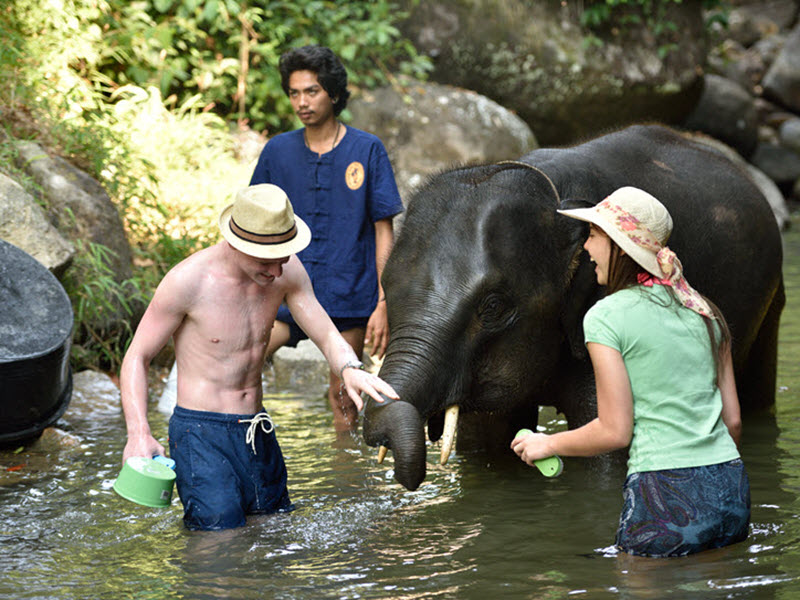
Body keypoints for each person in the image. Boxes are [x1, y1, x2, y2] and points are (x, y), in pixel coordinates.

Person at [120, 184, 399, 531]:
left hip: (256, 428)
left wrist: (350, 368)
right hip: (200, 433)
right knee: (218, 541)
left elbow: (326, 333)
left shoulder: (286, 270)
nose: (277, 271)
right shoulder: (188, 281)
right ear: (237, 243)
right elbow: (137, 355)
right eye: (267, 261)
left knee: (273, 532)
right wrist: (138, 433)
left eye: (283, 257)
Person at [511, 186, 750, 557]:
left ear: (621, 246)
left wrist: (547, 443)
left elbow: (614, 430)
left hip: (666, 489)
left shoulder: (606, 317)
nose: (586, 248)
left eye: (593, 236)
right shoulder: (704, 310)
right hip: (730, 485)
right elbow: (732, 423)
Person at [249, 45, 404, 432]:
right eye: (294, 92)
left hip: (348, 298)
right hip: (282, 292)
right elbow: (252, 227)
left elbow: (383, 230)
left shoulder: (367, 149)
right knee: (239, 366)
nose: (302, 102)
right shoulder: (277, 151)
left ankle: (346, 482)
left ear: (333, 93)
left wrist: (383, 303)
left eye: (312, 91)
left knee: (345, 402)